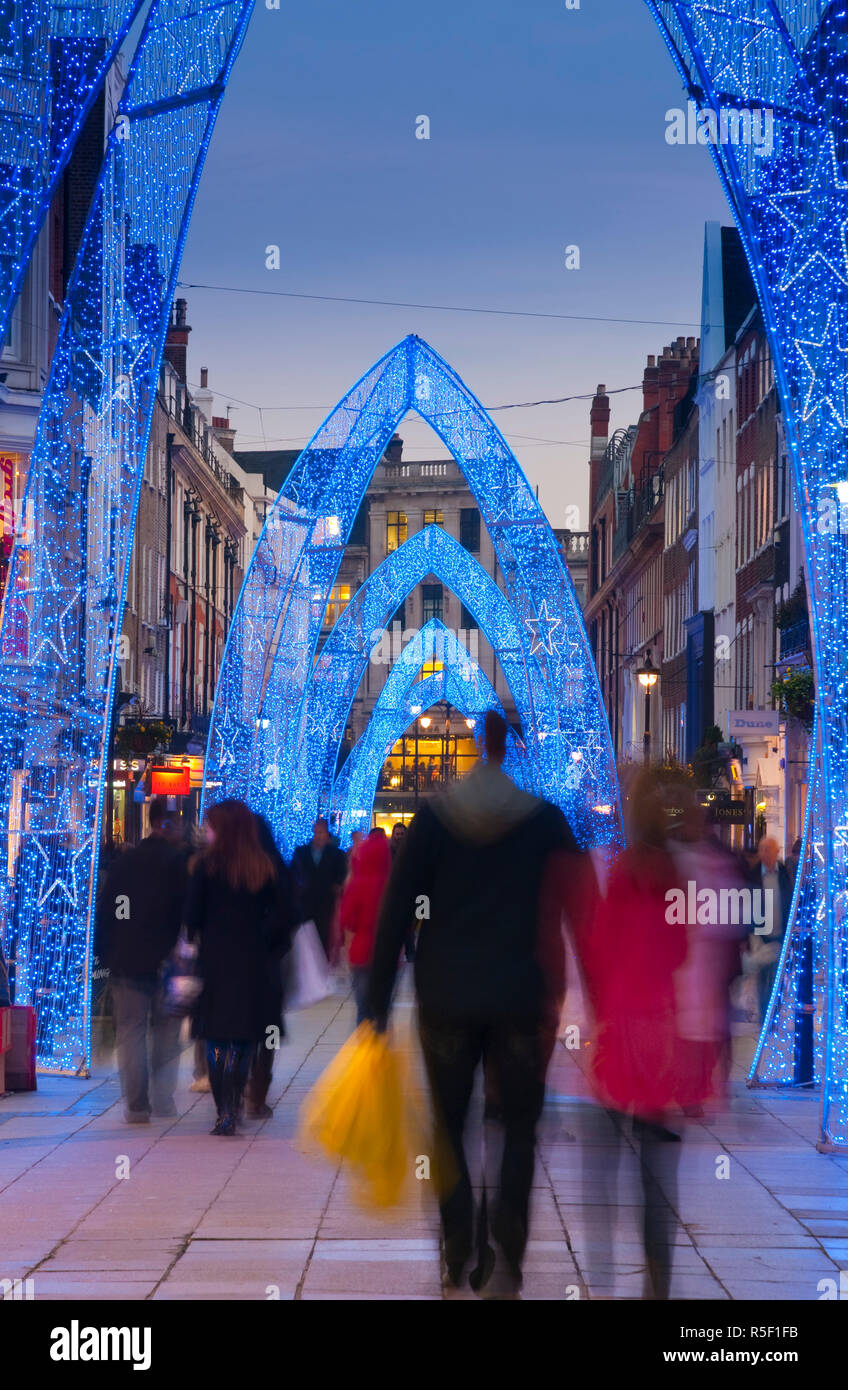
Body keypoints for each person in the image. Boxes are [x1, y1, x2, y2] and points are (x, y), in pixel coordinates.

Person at [367, 710, 582, 1299]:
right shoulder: (545, 822)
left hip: (447, 997)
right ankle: (508, 1241)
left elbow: (395, 912)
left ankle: (458, 1241)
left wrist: (375, 1006)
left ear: (468, 750)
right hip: (521, 996)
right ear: (506, 751)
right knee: (517, 1128)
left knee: (447, 1126)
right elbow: (581, 905)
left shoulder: (433, 822)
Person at [576, 770, 687, 1300]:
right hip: (659, 1035)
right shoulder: (672, 874)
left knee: (602, 1170)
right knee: (657, 1173)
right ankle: (657, 1283)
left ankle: (600, 1276)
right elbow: (682, 950)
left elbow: (600, 947)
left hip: (620, 1032)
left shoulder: (622, 872)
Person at [185, 799, 292, 1136]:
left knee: (216, 1037)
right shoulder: (263, 866)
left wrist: (202, 936)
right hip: (254, 964)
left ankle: (224, 1111)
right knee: (245, 1037)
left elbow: (192, 917)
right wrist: (268, 942)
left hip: (217, 962)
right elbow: (287, 914)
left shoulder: (206, 866)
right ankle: (237, 1097)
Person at [95, 797, 188, 1123]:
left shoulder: (126, 862)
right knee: (165, 1031)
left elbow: (107, 911)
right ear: (167, 823)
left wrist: (107, 954)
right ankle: (162, 1100)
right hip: (165, 962)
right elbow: (187, 913)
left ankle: (137, 1106)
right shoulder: (177, 863)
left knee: (131, 1032)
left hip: (127, 959)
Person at [244, 814, 296, 1117]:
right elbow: (290, 914)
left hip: (239, 964)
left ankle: (238, 1085)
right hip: (268, 965)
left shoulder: (230, 866)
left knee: (243, 1027)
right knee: (268, 1031)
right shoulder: (277, 867)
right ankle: (258, 1092)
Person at [339, 828, 391, 1024]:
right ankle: (380, 1041)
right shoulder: (391, 885)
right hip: (386, 953)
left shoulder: (357, 884)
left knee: (362, 1007)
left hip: (361, 951)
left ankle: (363, 1045)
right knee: (382, 1007)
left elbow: (346, 920)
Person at [748, 836, 792, 1023]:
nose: (764, 853)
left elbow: (790, 901)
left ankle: (772, 1015)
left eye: (768, 849)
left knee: (778, 978)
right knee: (763, 977)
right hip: (760, 934)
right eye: (762, 849)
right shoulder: (753, 875)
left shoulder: (784, 873)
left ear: (777, 852)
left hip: (780, 933)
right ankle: (765, 1017)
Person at [292, 818, 347, 959]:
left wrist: (337, 885)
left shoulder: (336, 854)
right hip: (306, 899)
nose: (318, 835)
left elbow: (342, 872)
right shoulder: (302, 852)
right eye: (316, 832)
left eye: (321, 832)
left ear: (327, 834)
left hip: (326, 900)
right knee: (307, 932)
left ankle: (321, 960)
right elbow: (293, 872)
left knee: (323, 932)